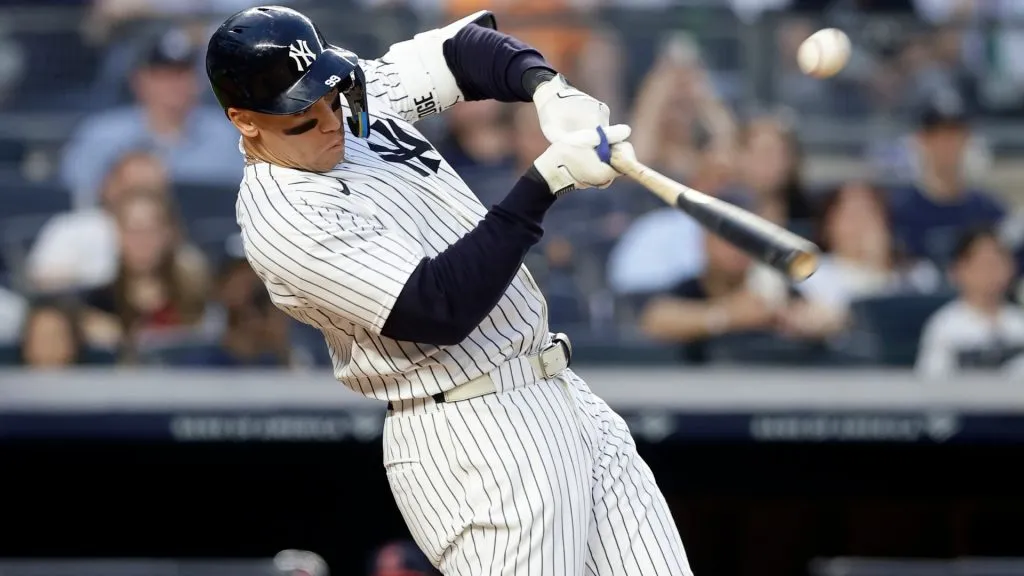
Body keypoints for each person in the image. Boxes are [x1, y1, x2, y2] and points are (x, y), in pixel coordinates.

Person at [205, 6, 691, 576]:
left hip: (560, 389)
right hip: (471, 432)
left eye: (332, 99)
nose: (330, 121)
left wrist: (548, 89)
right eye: (302, 118)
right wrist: (546, 182)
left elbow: (463, 49)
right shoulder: (281, 215)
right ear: (244, 120)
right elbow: (436, 307)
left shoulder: (344, 101)